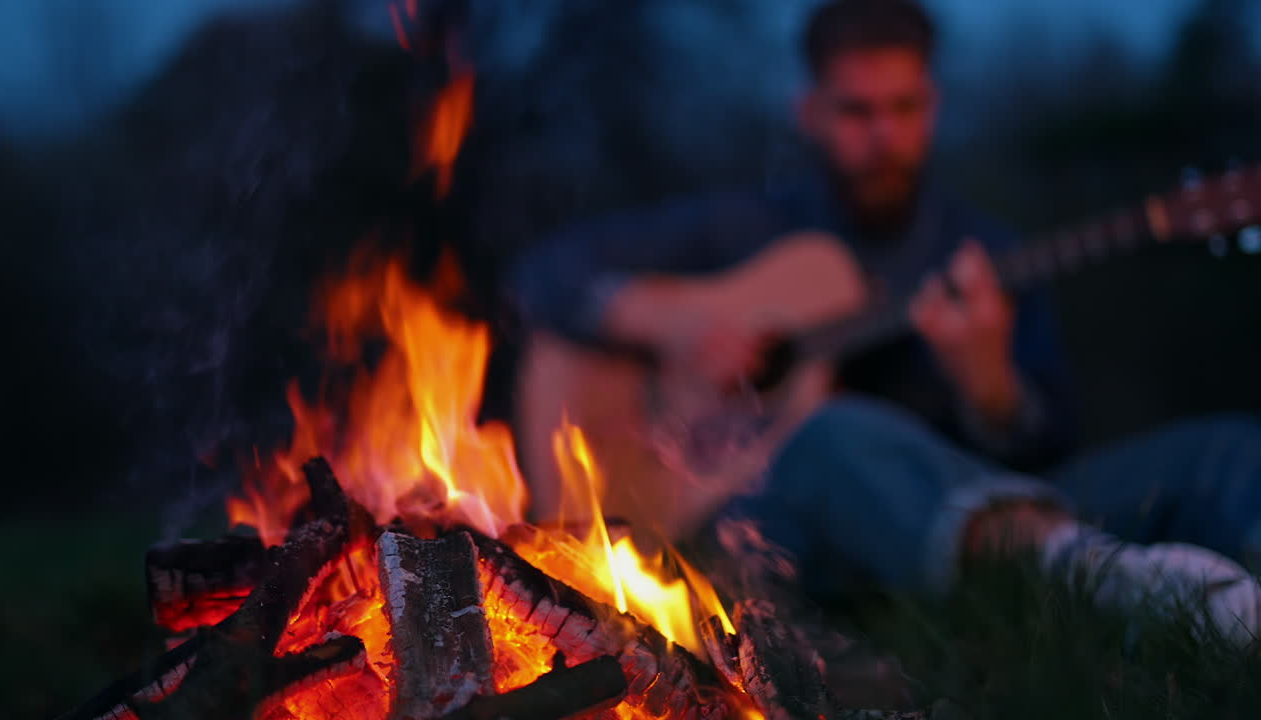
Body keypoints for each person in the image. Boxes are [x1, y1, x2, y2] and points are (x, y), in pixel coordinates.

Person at [507, 0, 1261, 644]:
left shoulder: (987, 252)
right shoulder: (743, 227)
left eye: (905, 108)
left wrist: (992, 391)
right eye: (857, 110)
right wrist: (667, 327)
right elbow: (545, 272)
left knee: (1228, 452)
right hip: (763, 526)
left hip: (991, 514)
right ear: (811, 112)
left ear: (931, 106)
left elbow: (1051, 445)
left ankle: (1111, 579)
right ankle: (1098, 578)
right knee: (833, 432)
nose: (883, 135)